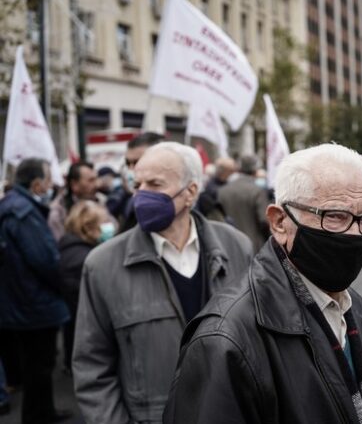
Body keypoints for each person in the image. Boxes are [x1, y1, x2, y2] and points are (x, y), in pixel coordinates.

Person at [163, 144, 362, 424]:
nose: (355, 233)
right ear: (280, 222)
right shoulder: (225, 340)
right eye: (335, 216)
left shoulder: (356, 310)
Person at [73, 142, 253, 424]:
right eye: (137, 184)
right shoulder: (102, 265)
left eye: (155, 184)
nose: (142, 194)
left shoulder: (236, 246)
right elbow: (92, 366)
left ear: (191, 191)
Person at [0, 158, 71, 424]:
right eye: (48, 178)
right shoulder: (24, 212)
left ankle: (45, 412)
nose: (51, 184)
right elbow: (45, 260)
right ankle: (38, 416)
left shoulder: (14, 206)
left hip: (24, 300)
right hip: (34, 303)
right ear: (37, 183)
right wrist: (62, 285)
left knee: (37, 366)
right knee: (39, 366)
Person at [58, 200, 115, 373]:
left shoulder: (73, 248)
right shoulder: (85, 259)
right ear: (88, 228)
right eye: (104, 222)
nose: (110, 226)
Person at [106, 132, 164, 232]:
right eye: (128, 163)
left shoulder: (177, 198)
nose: (131, 169)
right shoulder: (127, 201)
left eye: (137, 162)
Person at [218, 154, 270, 252]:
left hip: (229, 245)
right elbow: (264, 220)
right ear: (255, 171)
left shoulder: (223, 191)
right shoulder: (257, 191)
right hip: (253, 246)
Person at [48, 161, 98, 240]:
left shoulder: (98, 201)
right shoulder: (58, 212)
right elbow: (61, 243)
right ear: (74, 184)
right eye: (90, 180)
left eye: (95, 179)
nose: (96, 185)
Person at [195, 156, 236, 221]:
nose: (233, 173)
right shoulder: (212, 189)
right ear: (224, 171)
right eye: (231, 171)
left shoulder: (228, 183)